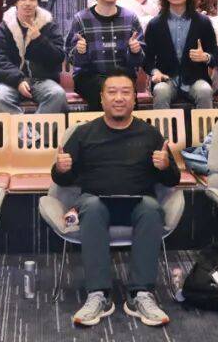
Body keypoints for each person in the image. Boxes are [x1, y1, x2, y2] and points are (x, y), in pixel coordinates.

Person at [52, 69, 178, 328]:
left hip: (137, 204)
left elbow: (172, 179)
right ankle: (98, 294)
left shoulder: (149, 134)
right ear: (102, 98)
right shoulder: (84, 133)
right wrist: (61, 169)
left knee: (151, 207)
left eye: (125, 92)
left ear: (134, 98)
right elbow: (63, 180)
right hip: (96, 204)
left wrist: (165, 166)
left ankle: (141, 294)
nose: (119, 98)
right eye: (112, 92)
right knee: (92, 206)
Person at [67, 0, 145, 111]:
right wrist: (80, 52)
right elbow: (71, 58)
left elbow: (140, 60)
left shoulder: (130, 17)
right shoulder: (81, 18)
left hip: (122, 76)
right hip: (89, 77)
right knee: (105, 91)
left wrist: (135, 51)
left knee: (124, 94)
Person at [142, 0, 218, 109]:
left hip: (195, 79)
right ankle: (162, 125)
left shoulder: (203, 22)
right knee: (160, 91)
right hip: (166, 79)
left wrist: (205, 57)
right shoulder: (155, 24)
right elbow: (147, 60)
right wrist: (155, 72)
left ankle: (205, 125)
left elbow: (216, 57)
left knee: (205, 91)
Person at [0, 0, 68, 114]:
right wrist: (18, 80)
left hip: (42, 80)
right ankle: (24, 127)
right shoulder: (4, 27)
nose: (27, 3)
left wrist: (40, 39)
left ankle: (35, 127)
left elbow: (58, 57)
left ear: (38, 2)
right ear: (16, 2)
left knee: (58, 95)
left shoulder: (49, 25)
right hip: (11, 81)